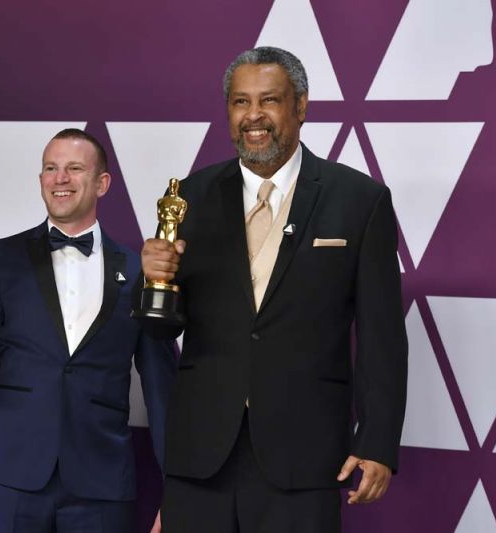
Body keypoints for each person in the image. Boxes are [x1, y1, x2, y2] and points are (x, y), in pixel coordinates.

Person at [138, 47, 408, 532]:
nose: (253, 116)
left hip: (305, 453)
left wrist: (378, 441)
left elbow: (382, 336)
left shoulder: (359, 200)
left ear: (300, 107)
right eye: (240, 102)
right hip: (200, 453)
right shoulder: (189, 197)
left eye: (269, 100)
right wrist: (156, 280)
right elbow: (163, 330)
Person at [0, 128, 177, 533]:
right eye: (51, 168)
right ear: (40, 180)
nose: (60, 178)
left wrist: (177, 489)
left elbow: (162, 390)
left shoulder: (139, 270)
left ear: (103, 183)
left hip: (102, 482)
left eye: (74, 168)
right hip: (12, 477)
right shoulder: (0, 259)